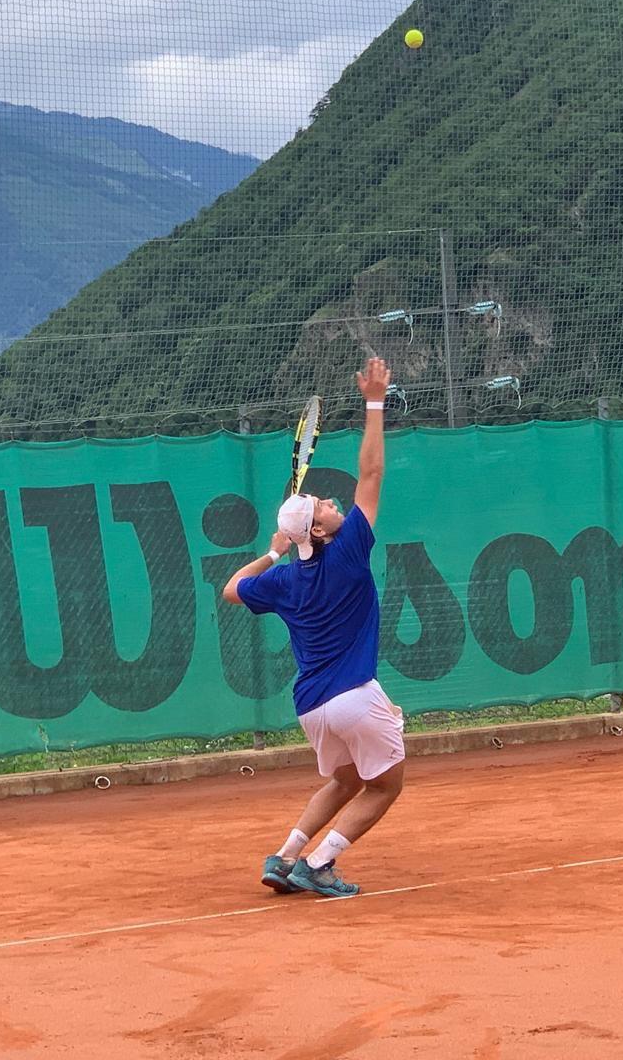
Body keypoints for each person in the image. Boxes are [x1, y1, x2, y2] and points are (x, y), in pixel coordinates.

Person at [222, 357, 404, 898]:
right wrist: (374, 401)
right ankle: (321, 863)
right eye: (324, 505)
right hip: (352, 696)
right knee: (385, 786)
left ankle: (284, 857)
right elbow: (370, 475)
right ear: (321, 533)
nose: (332, 502)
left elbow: (232, 589)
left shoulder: (281, 581)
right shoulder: (347, 552)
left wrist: (271, 555)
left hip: (312, 707)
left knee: (346, 780)